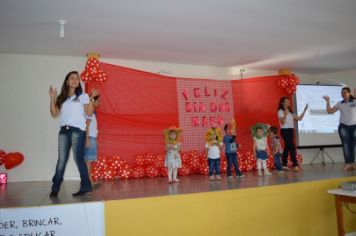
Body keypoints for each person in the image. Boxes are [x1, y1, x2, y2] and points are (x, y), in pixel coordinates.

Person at [49, 71, 97, 198]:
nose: (75, 80)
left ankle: (86, 187)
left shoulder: (83, 96)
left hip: (77, 130)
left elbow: (90, 113)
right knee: (61, 160)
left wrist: (92, 98)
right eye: (72, 78)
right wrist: (52, 98)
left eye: (77, 78)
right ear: (67, 81)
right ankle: (55, 188)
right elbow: (54, 114)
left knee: (78, 159)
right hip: (63, 131)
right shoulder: (62, 97)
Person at [323, 87, 356, 171]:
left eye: (344, 92)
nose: (342, 94)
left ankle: (353, 163)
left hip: (354, 126)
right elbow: (330, 111)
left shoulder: (354, 102)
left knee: (353, 145)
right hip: (343, 126)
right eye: (342, 93)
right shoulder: (339, 104)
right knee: (346, 144)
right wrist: (327, 102)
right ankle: (348, 163)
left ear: (349, 93)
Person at [277, 97, 308, 172]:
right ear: (283, 103)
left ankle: (284, 165)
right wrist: (285, 114)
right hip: (285, 130)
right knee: (292, 147)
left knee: (287, 148)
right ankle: (295, 165)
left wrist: (304, 110)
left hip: (291, 130)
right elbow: (282, 122)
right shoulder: (280, 111)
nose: (289, 102)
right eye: (287, 101)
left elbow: (299, 118)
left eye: (288, 101)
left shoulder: (290, 111)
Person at [84, 95, 100, 186]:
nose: (99, 103)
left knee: (89, 161)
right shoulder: (89, 112)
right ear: (93, 101)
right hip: (89, 137)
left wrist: (95, 140)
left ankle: (89, 180)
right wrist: (87, 139)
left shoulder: (93, 113)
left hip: (92, 137)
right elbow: (87, 126)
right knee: (88, 161)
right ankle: (88, 181)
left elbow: (93, 127)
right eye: (98, 101)